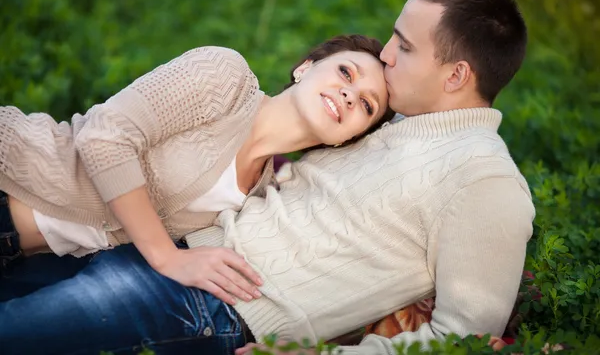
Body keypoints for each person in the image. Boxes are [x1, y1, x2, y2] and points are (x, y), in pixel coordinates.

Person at [0, 0, 534, 355]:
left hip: (212, 303)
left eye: (404, 45)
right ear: (306, 69)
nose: (388, 57)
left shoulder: (484, 180)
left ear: (457, 74)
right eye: (389, 41)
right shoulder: (394, 134)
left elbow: (465, 337)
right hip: (163, 255)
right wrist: (169, 255)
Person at [0, 34, 394, 304]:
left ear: (348, 139)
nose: (349, 93)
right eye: (346, 73)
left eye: (366, 105)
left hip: (26, 254)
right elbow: (104, 136)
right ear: (305, 68)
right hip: (12, 175)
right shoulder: (226, 77)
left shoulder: (261, 196)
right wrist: (165, 257)